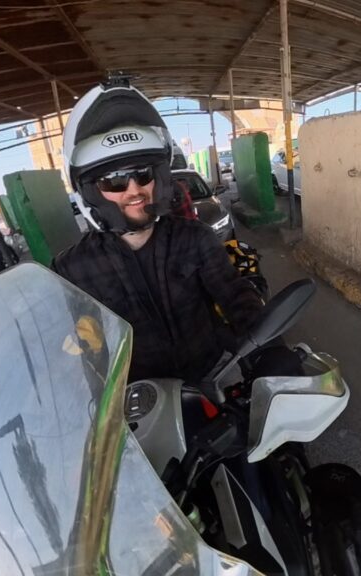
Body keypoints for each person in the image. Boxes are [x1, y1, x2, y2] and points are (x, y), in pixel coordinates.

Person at [52, 78, 263, 383]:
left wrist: (269, 350)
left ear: (160, 179)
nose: (135, 190)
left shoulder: (195, 238)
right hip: (142, 401)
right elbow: (71, 348)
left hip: (213, 373)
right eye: (115, 181)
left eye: (143, 174)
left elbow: (236, 297)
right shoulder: (71, 270)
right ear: (90, 192)